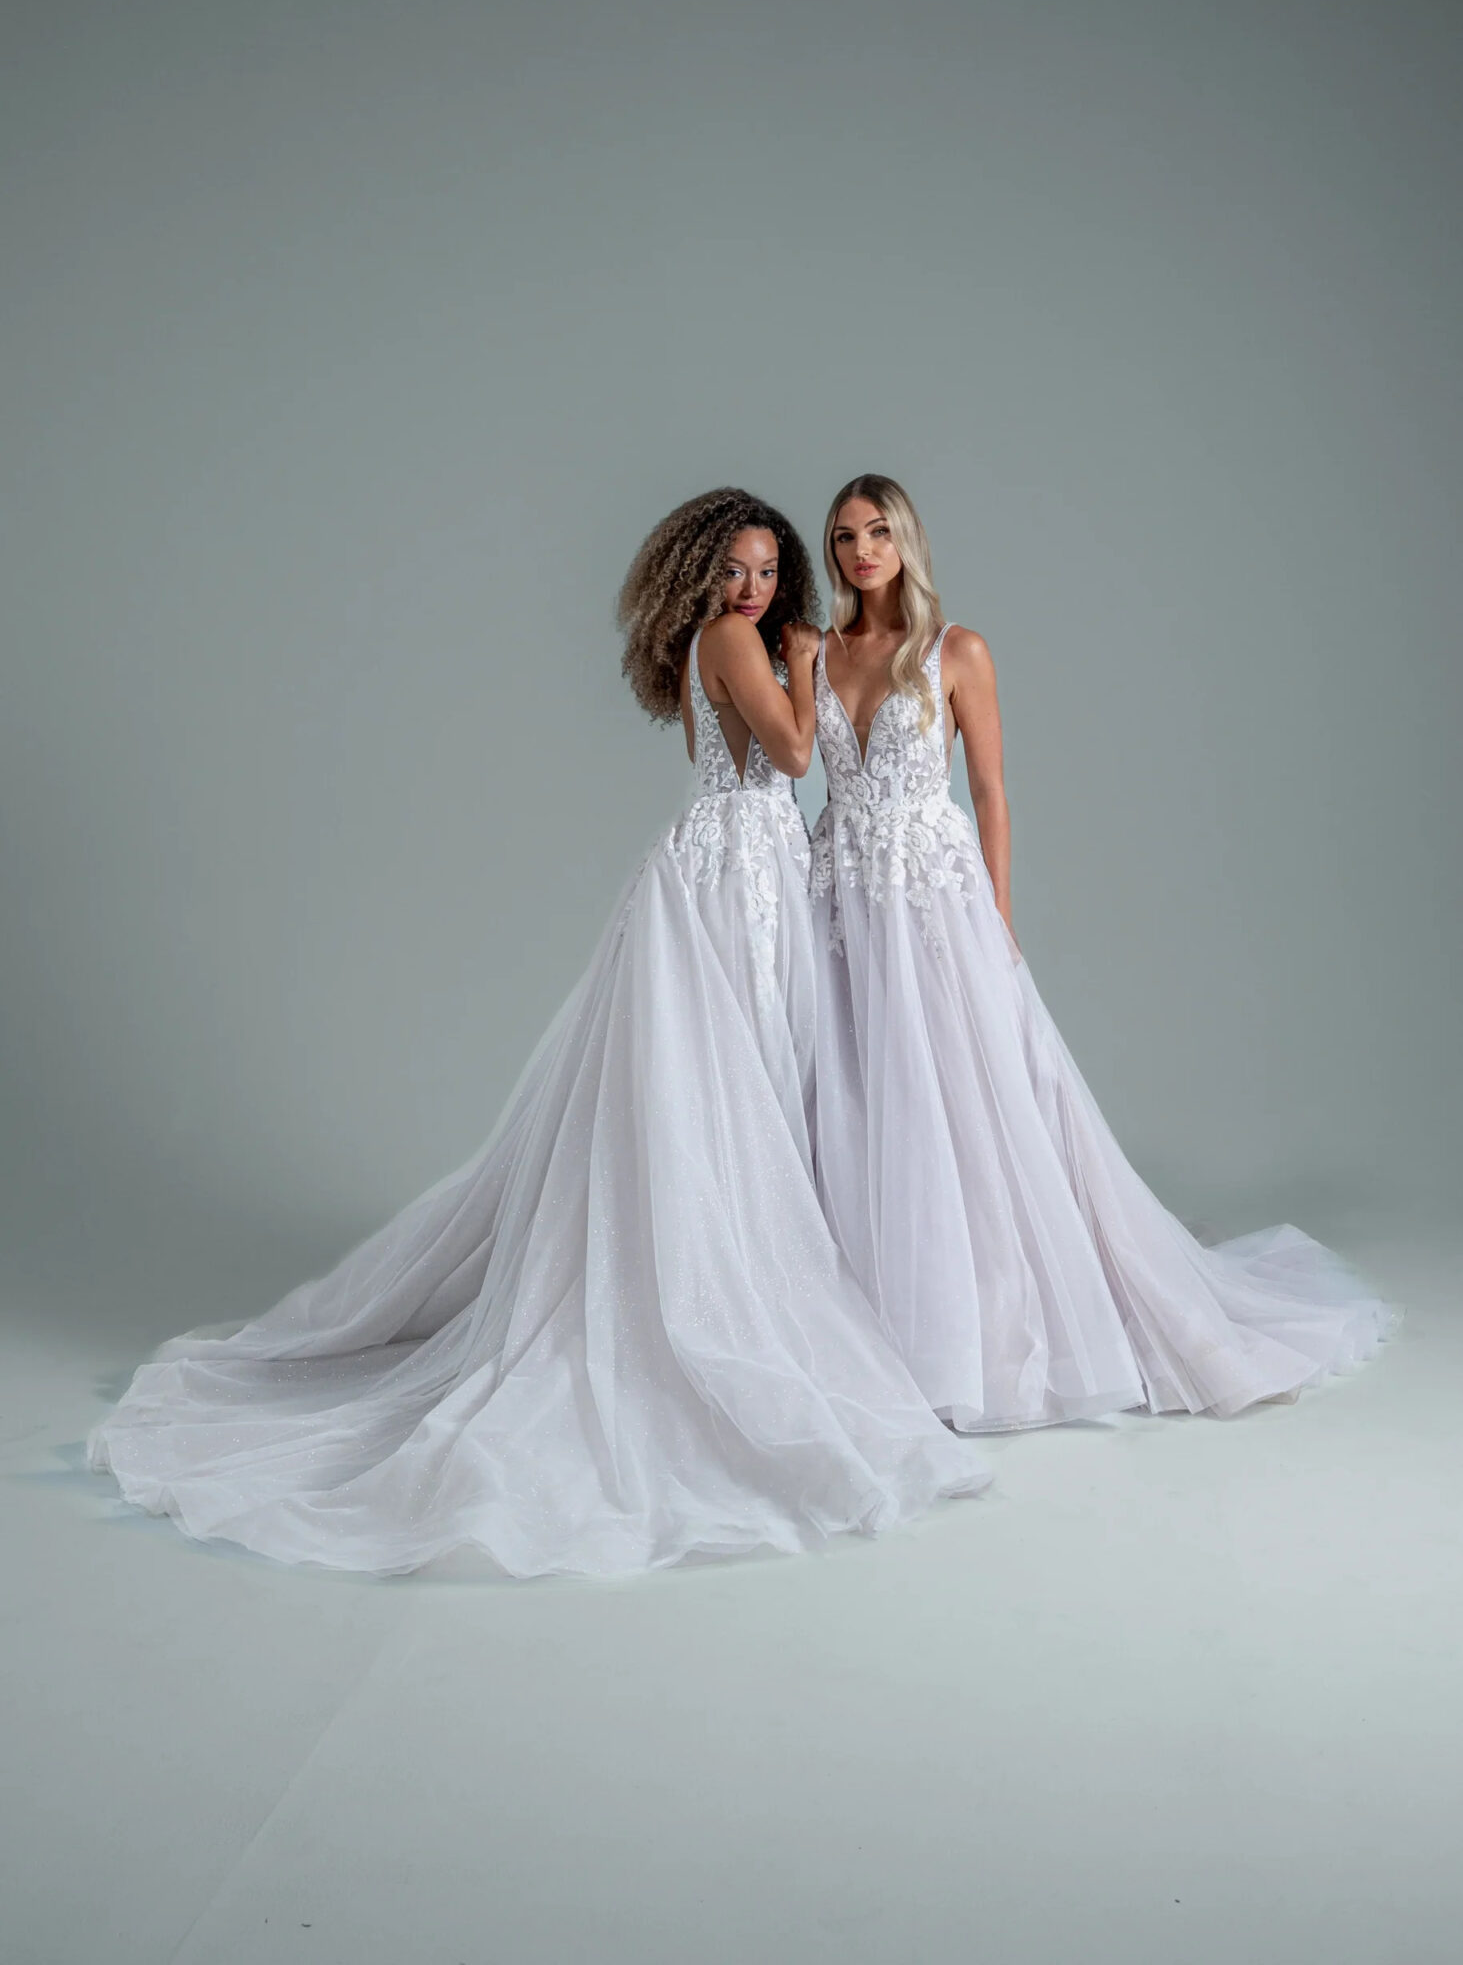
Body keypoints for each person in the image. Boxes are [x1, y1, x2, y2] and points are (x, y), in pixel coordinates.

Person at [88, 487, 989, 1576]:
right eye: (734, 570)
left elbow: (749, 778)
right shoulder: (732, 641)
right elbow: (795, 760)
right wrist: (803, 665)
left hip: (738, 866)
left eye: (764, 570)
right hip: (739, 877)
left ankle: (747, 1283)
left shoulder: (719, 642)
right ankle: (729, 1311)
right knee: (734, 1089)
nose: (752, 587)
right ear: (700, 577)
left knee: (740, 1091)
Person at [808, 472, 1394, 1431]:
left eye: (878, 531)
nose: (861, 550)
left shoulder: (957, 650)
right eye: (842, 536)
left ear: (907, 541)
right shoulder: (818, 652)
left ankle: (977, 1323)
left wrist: (996, 919)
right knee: (859, 1091)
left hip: (931, 897)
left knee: (962, 1094)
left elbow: (990, 792)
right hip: (839, 895)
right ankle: (872, 1314)